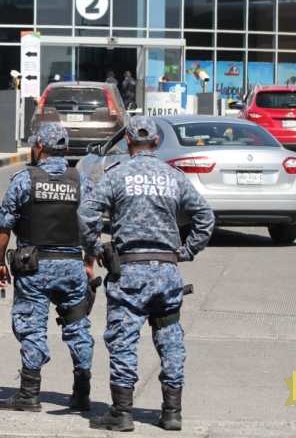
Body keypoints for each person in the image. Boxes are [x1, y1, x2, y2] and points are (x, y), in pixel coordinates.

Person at [79, 116, 215, 432]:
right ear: (155, 143)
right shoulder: (174, 177)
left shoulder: (115, 176)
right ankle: (172, 412)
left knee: (124, 339)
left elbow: (86, 213)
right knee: (170, 339)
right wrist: (185, 251)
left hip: (129, 271)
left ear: (128, 142)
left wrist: (96, 248)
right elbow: (205, 217)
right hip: (166, 272)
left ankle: (122, 413)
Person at [0, 122, 95, 413]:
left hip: (34, 267)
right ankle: (82, 392)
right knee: (78, 327)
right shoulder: (82, 181)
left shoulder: (24, 180)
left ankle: (29, 394)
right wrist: (88, 261)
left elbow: (4, 227)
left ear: (39, 147)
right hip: (72, 266)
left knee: (32, 326)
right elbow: (91, 226)